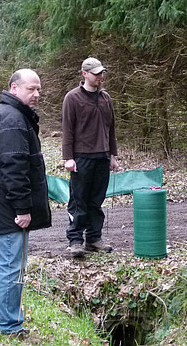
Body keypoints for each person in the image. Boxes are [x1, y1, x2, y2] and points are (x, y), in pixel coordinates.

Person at [0, 69, 51, 339]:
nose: (36, 94)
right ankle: (9, 327)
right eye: (31, 89)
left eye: (39, 89)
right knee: (10, 266)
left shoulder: (9, 114)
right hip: (8, 207)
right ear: (14, 87)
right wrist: (22, 208)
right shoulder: (13, 119)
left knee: (1, 263)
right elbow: (14, 167)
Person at [62, 57, 118, 258]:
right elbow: (67, 130)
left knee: (96, 201)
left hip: (102, 157)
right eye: (96, 73)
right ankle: (75, 240)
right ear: (84, 74)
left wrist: (112, 155)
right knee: (79, 200)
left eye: (101, 73)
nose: (100, 77)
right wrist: (68, 158)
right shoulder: (73, 98)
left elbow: (111, 128)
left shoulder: (106, 98)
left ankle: (94, 239)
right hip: (81, 158)